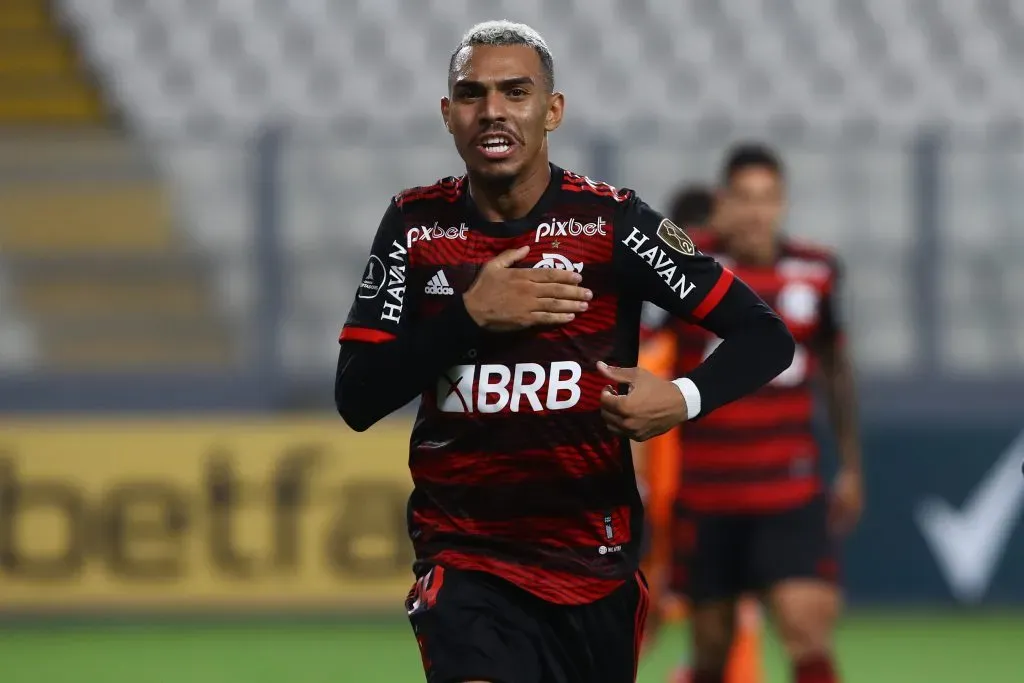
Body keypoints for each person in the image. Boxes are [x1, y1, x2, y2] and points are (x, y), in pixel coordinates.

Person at [335, 22, 795, 683]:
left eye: (515, 91)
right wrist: (467, 316)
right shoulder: (415, 227)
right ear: (448, 115)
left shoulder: (612, 225)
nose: (492, 109)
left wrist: (684, 398)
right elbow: (356, 395)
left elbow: (765, 334)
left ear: (552, 110)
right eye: (471, 94)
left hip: (593, 562)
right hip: (466, 556)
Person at [640, 144, 863, 683]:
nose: (757, 211)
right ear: (725, 202)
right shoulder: (689, 272)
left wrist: (852, 466)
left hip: (789, 492)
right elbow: (643, 355)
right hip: (709, 496)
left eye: (768, 198)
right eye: (745, 197)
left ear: (783, 203)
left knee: (806, 627)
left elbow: (835, 368)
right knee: (712, 652)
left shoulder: (817, 270)